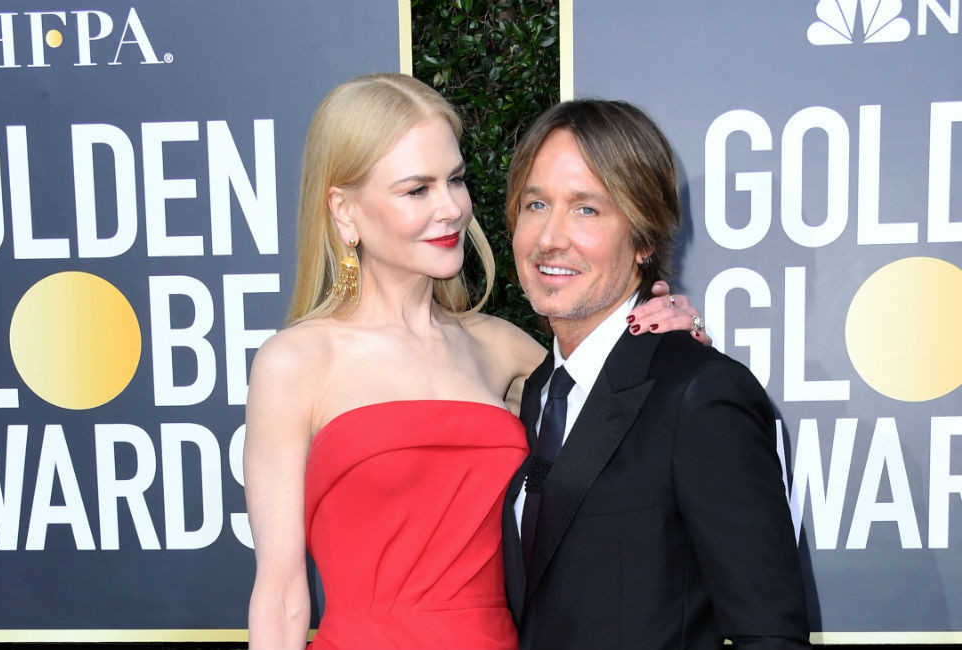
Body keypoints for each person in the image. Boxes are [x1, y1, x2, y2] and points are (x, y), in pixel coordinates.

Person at [243, 73, 706, 649]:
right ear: (345, 212)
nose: (452, 209)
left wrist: (665, 336)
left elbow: (632, 432)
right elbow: (283, 593)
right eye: (417, 190)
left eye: (455, 180)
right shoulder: (294, 363)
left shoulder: (503, 347)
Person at [502, 99, 810, 649]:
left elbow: (770, 636)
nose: (550, 237)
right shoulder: (534, 393)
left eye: (586, 209)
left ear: (644, 240)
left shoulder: (701, 394)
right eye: (535, 204)